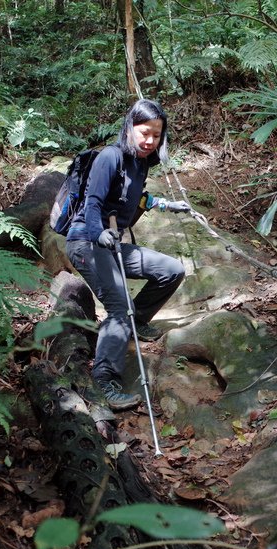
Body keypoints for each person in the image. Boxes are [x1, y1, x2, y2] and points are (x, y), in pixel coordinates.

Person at [65, 99, 191, 411]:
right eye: (144, 132)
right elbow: (93, 204)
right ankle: (105, 381)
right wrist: (99, 233)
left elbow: (137, 198)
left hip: (113, 244)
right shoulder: (110, 156)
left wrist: (166, 205)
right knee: (119, 307)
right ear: (130, 128)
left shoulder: (141, 163)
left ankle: (138, 322)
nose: (150, 140)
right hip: (86, 242)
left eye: (157, 135)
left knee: (172, 270)